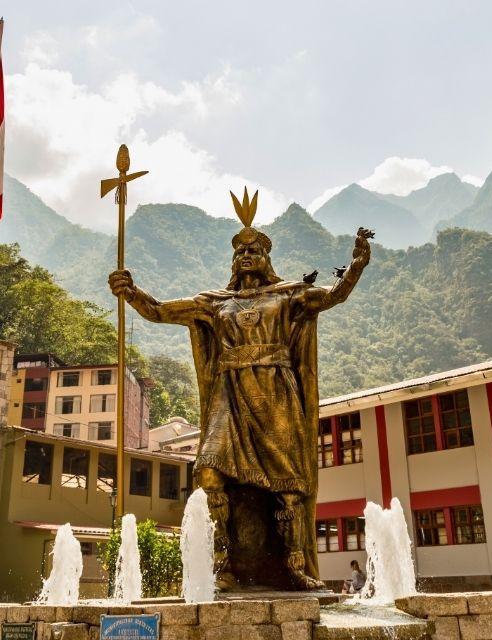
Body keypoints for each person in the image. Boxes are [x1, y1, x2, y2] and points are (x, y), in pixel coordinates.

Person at [109, 188, 373, 591]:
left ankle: (294, 566)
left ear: (267, 258)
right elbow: (162, 311)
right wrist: (131, 292)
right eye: (240, 251)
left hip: (275, 393)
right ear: (233, 260)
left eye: (255, 250)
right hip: (229, 396)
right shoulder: (215, 302)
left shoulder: (287, 295)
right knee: (209, 472)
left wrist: (355, 267)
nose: (247, 255)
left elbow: (334, 296)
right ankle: (221, 564)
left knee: (287, 484)